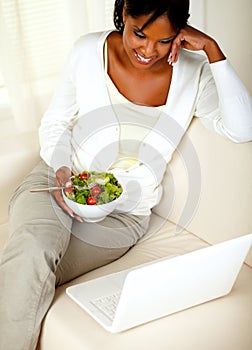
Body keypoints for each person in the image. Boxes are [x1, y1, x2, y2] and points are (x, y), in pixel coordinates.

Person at [0, 0, 251, 349]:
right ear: (123, 17)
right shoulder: (88, 52)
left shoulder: (194, 73)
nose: (149, 51)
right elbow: (56, 121)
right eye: (139, 34)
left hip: (121, 219)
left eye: (164, 41)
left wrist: (213, 51)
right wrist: (61, 169)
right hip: (55, 183)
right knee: (31, 253)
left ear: (180, 33)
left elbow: (243, 128)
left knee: (26, 272)